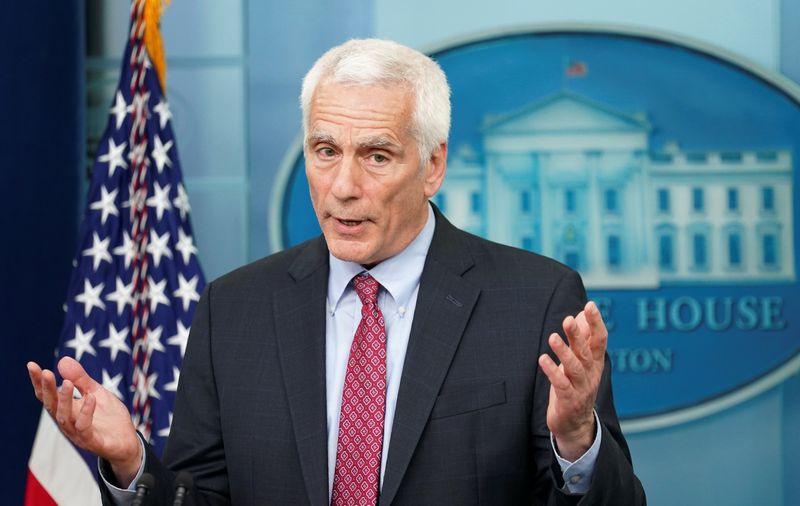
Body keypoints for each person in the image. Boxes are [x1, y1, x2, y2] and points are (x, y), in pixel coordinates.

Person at [28, 38, 645, 505]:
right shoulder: (233, 309)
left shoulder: (535, 299)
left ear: (432, 166)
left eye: (376, 156)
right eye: (326, 152)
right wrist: (134, 463)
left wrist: (576, 442)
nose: (343, 188)